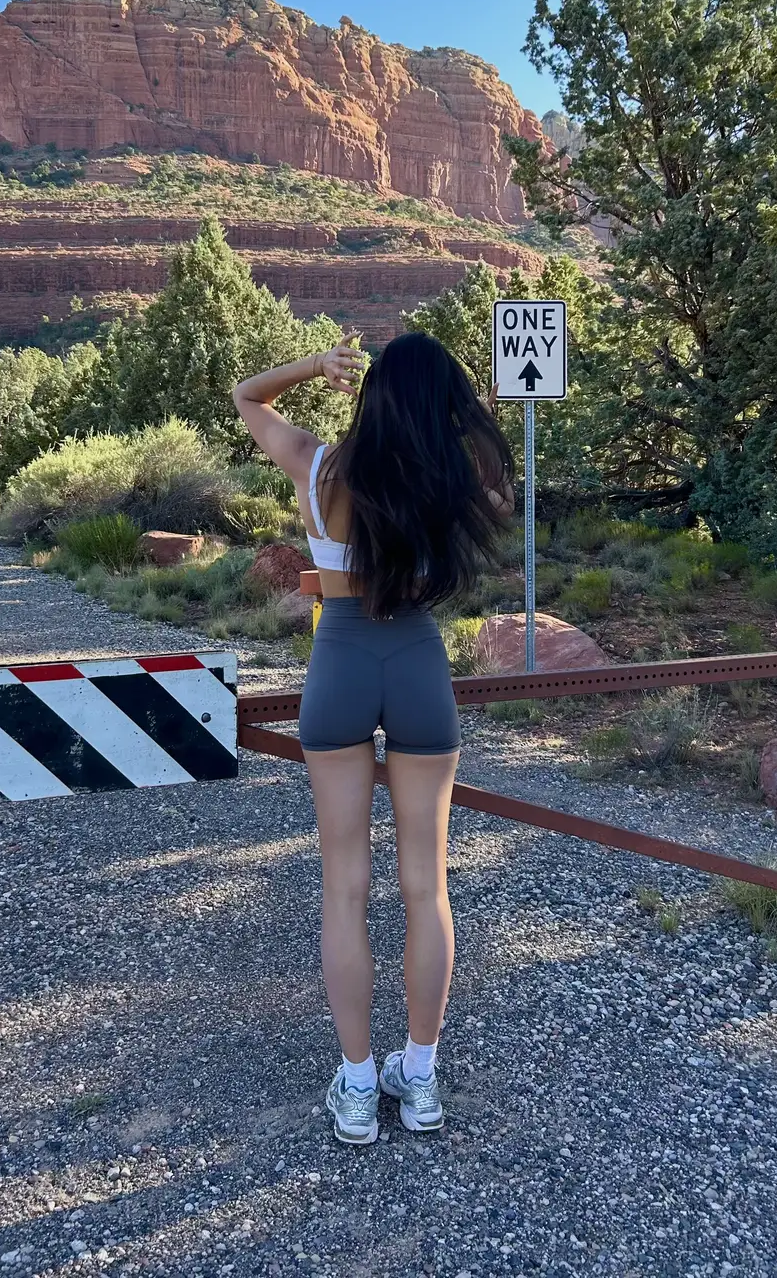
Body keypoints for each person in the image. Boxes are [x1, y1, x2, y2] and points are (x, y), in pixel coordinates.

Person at [233, 330, 514, 1145]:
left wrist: (312, 366)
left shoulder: (321, 469)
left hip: (341, 666)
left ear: (369, 396)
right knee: (427, 890)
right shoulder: (454, 479)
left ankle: (359, 1085)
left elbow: (247, 395)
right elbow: (491, 469)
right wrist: (456, 412)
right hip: (419, 663)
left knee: (345, 888)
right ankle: (418, 1081)